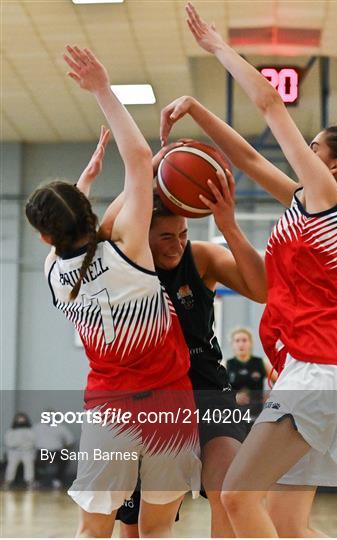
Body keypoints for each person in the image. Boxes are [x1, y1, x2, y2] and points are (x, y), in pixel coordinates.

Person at [160, 4, 337, 537]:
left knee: (235, 495)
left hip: (319, 372)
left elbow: (272, 104)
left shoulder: (327, 198)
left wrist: (217, 48)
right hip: (316, 371)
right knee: (287, 524)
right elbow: (252, 162)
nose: (304, 150)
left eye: (314, 146)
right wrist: (198, 111)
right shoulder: (312, 204)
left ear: (335, 166)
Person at [25, 45, 201, 538]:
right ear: (86, 212)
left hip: (109, 411)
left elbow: (73, 239)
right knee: (157, 531)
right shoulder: (126, 245)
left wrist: (84, 181)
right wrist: (102, 87)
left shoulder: (53, 273)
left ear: (45, 236)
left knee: (92, 531)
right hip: (170, 405)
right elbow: (142, 158)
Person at [81, 149, 267, 537]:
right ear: (140, 234)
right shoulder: (122, 264)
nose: (177, 243)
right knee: (134, 526)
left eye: (182, 234)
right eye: (166, 235)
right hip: (150, 402)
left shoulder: (199, 258)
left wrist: (228, 225)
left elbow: (263, 289)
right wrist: (150, 166)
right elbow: (104, 230)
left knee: (227, 490)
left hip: (208, 392)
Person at [226, 327, 273, 432]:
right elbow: (217, 391)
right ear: (232, 344)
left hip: (257, 416)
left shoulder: (261, 363)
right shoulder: (226, 365)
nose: (241, 344)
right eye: (237, 341)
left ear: (251, 343)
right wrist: (233, 397)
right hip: (235, 417)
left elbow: (280, 382)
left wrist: (272, 395)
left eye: (244, 340)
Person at [33, 410, 75, 488]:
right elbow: (30, 440)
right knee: (31, 459)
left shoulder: (61, 427)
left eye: (51, 415)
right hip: (41, 451)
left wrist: (65, 448)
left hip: (56, 451)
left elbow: (70, 440)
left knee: (64, 458)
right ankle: (37, 480)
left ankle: (58, 480)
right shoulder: (36, 427)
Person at [3, 413, 36, 489]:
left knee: (29, 466)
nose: (21, 421)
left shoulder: (30, 431)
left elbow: (32, 442)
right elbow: (8, 442)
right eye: (19, 419)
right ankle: (8, 481)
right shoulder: (11, 431)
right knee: (11, 466)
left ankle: (30, 482)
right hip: (14, 452)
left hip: (27, 451)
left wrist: (24, 445)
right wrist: (18, 444)